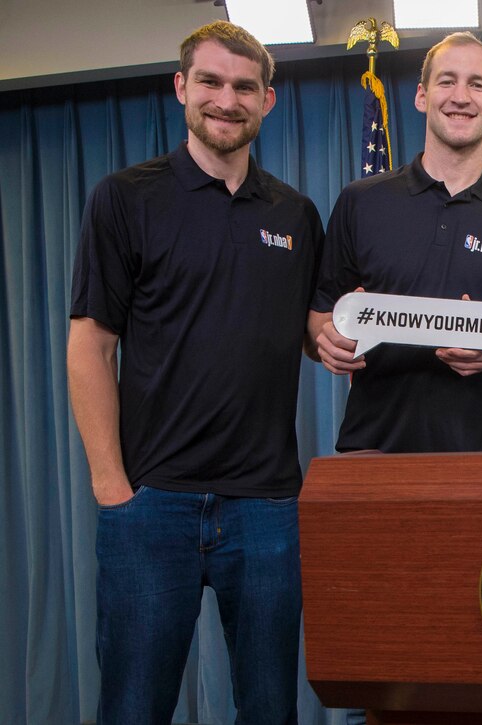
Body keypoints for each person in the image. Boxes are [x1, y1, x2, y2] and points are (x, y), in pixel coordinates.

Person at [67, 21, 322, 724]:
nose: (226, 99)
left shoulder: (296, 214)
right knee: (133, 708)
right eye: (210, 82)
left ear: (268, 100)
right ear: (181, 88)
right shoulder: (125, 197)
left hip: (267, 508)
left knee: (270, 710)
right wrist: (112, 488)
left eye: (245, 86)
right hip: (152, 504)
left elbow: (310, 330)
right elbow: (90, 344)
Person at [309, 32, 482, 453]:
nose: (461, 96)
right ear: (421, 96)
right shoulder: (361, 201)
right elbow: (320, 315)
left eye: (477, 84)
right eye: (447, 81)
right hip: (370, 453)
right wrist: (328, 339)